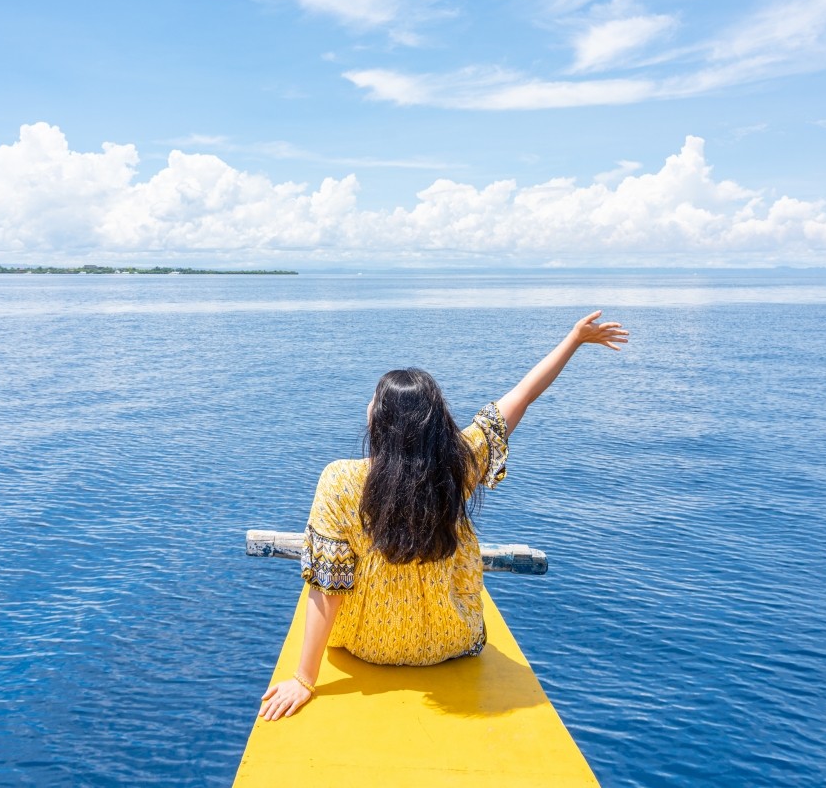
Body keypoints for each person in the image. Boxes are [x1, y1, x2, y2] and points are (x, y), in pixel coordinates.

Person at [259, 309, 629, 721]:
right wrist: (573, 340)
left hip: (366, 644)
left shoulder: (340, 480)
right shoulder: (458, 465)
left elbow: (327, 586)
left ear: (381, 421)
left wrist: (304, 679)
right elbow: (522, 395)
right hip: (450, 640)